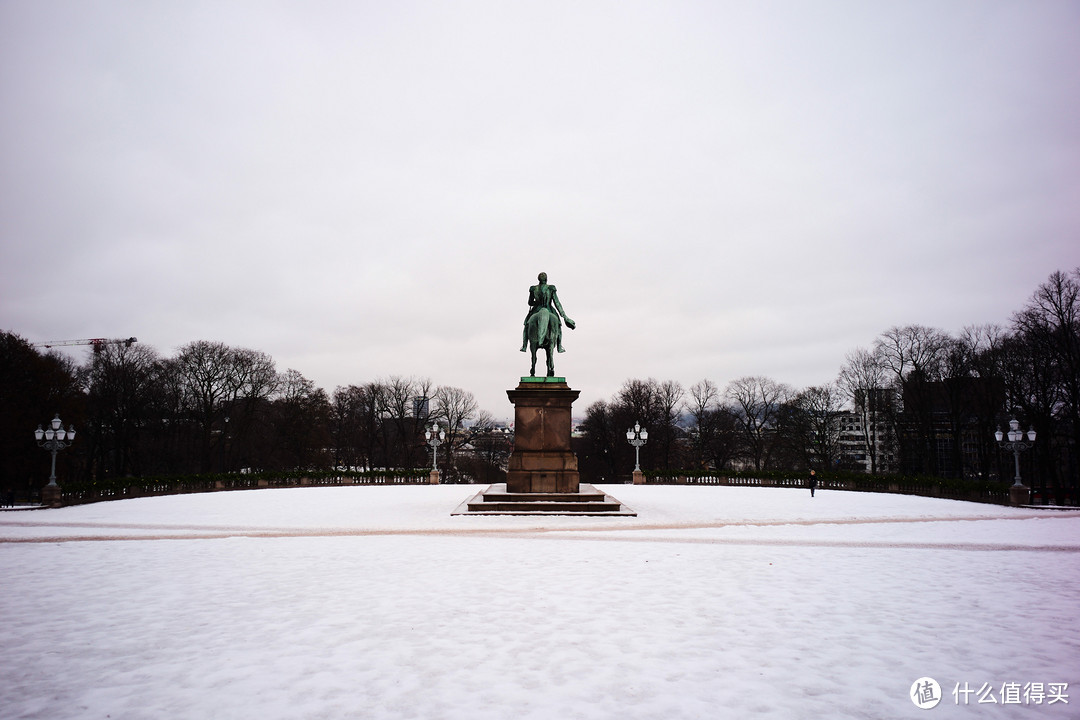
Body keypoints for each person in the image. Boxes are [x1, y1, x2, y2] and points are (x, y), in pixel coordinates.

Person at [520, 272, 575, 353]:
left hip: (536, 310)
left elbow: (530, 302)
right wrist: (564, 316)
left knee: (527, 325)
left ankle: (524, 346)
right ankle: (559, 347)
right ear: (546, 279)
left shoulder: (533, 288)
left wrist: (536, 303)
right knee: (558, 326)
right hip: (549, 309)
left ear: (538, 279)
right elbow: (557, 303)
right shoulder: (551, 288)